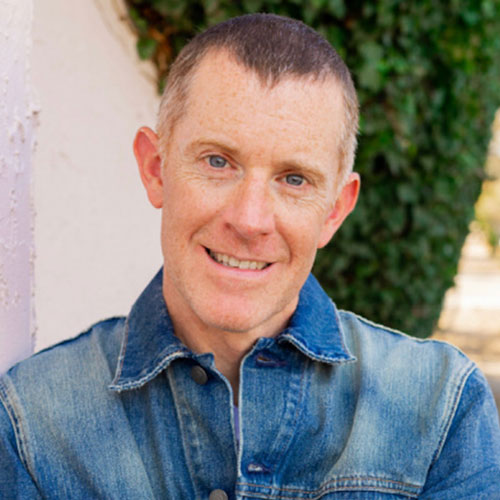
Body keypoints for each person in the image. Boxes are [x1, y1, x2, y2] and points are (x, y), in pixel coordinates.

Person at [1, 13, 499, 499]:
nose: (249, 219)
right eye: (218, 162)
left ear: (334, 211)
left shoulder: (440, 411)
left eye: (294, 179)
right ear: (156, 169)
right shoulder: (34, 426)